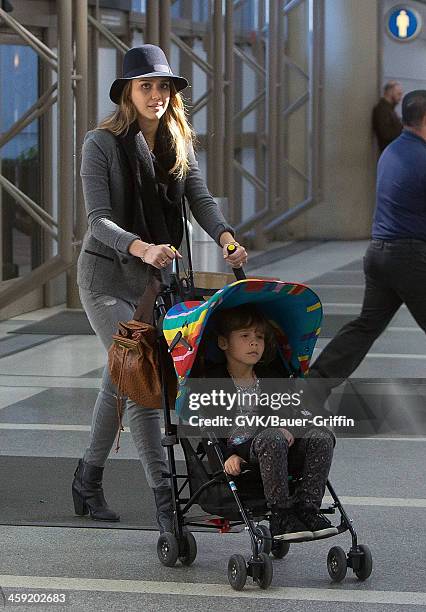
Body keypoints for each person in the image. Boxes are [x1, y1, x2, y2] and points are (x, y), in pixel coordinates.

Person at [72, 45, 247, 532]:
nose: (156, 96)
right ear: (128, 91)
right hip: (107, 280)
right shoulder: (100, 144)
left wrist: (227, 237)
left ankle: (87, 478)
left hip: (155, 285)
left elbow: (200, 199)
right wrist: (141, 247)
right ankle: (167, 507)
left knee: (120, 381)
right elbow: (98, 220)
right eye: (146, 86)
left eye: (163, 87)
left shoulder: (177, 142)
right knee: (146, 386)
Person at [310, 90, 426, 389]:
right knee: (366, 327)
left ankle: (310, 389)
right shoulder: (422, 158)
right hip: (409, 257)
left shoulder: (393, 151)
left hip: (379, 254)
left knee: (365, 327)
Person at [199, 304, 337, 542]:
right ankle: (281, 514)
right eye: (245, 336)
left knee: (322, 436)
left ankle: (307, 507)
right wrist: (225, 455)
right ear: (223, 343)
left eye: (259, 337)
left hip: (279, 446)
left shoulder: (272, 376)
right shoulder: (212, 381)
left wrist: (291, 427)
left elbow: (292, 411)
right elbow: (208, 426)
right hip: (242, 450)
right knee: (272, 437)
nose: (254, 343)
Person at [372, 80, 403, 152]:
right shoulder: (382, 110)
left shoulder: (389, 109)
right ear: (390, 92)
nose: (400, 98)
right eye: (398, 94)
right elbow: (385, 134)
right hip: (390, 153)